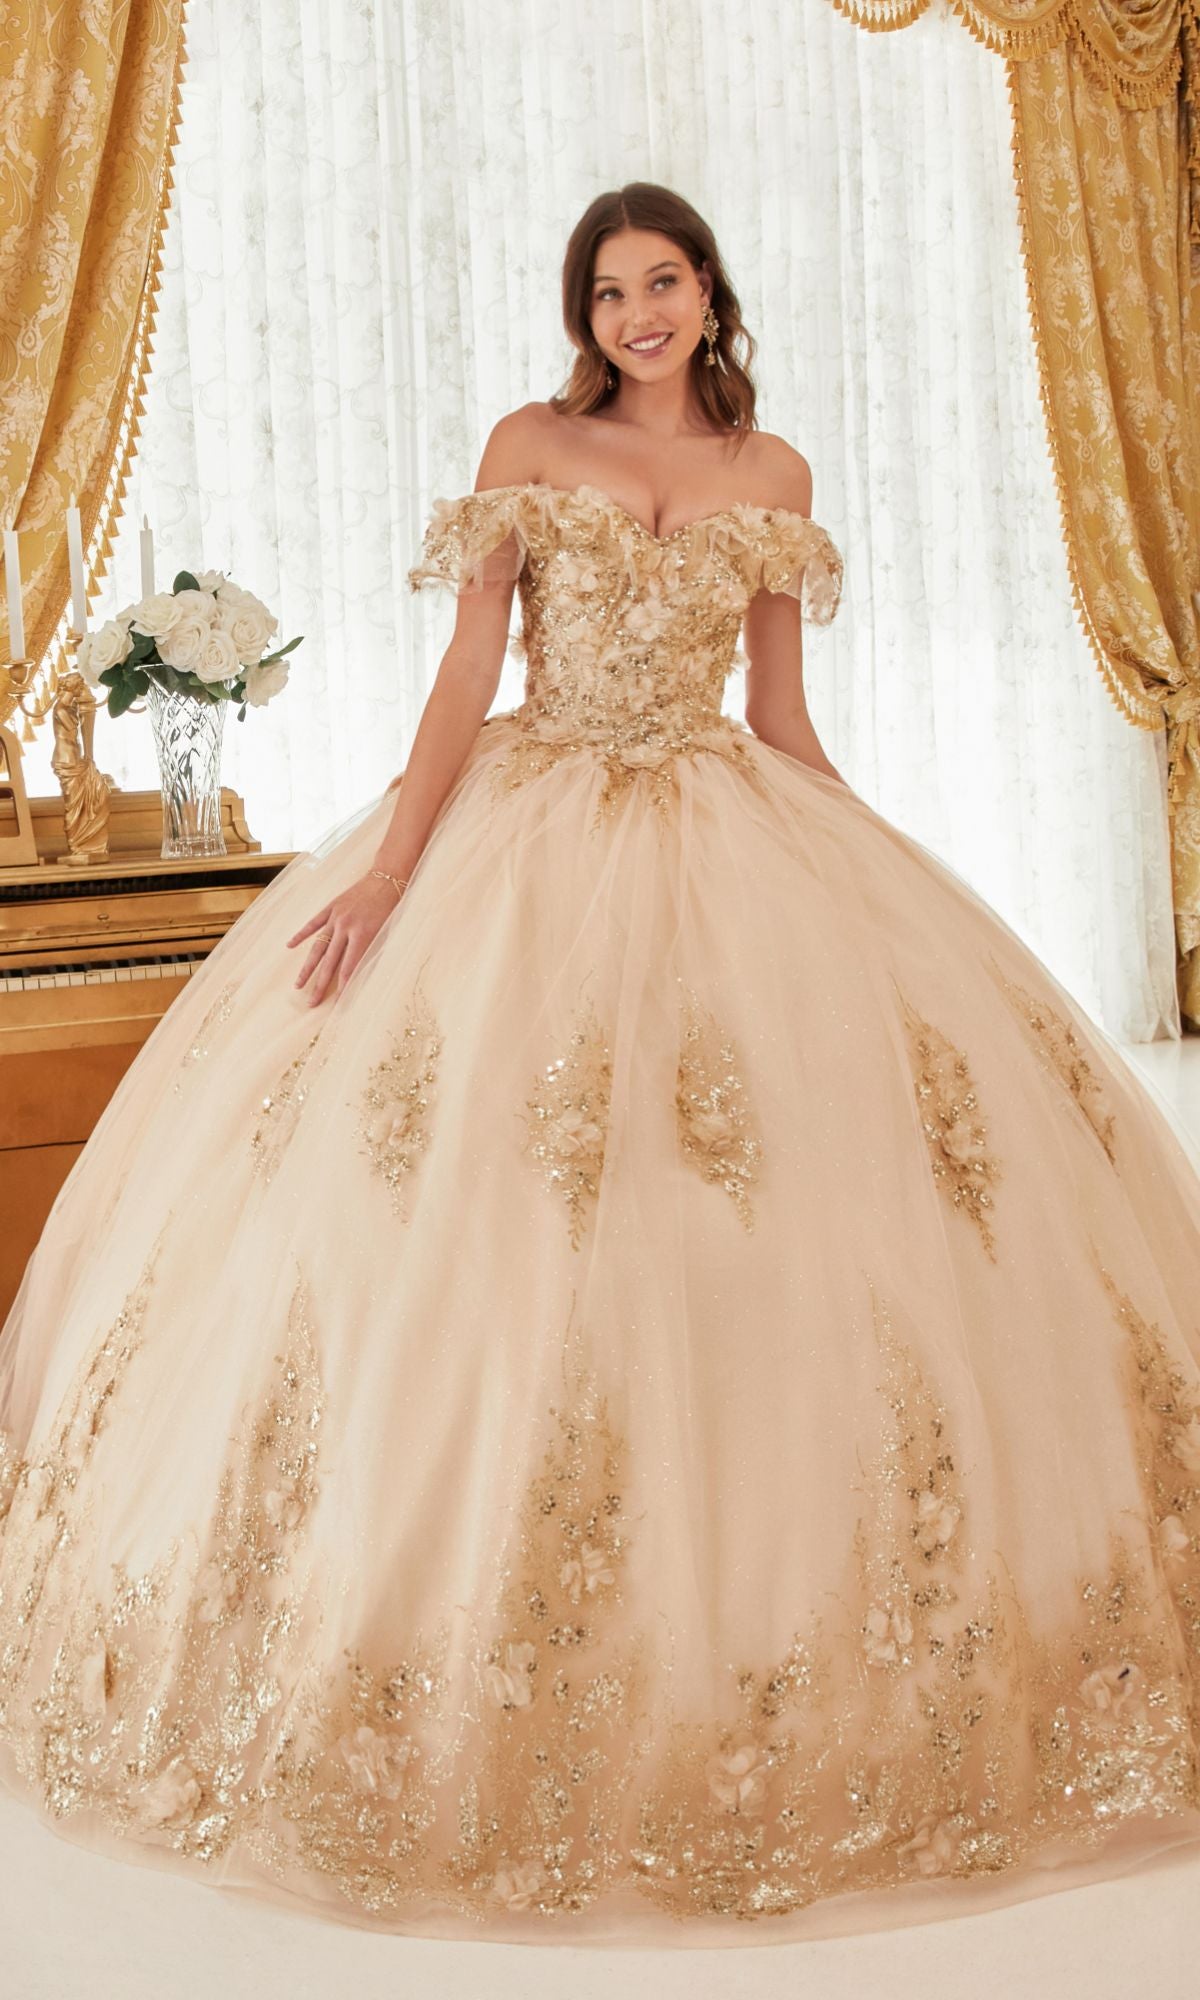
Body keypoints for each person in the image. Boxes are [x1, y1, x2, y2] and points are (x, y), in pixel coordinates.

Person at [1, 180, 1199, 1951]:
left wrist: (895, 908)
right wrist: (390, 880)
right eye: (611, 288)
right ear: (586, 311)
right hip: (529, 821)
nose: (641, 310)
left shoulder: (773, 477)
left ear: (713, 294)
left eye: (667, 280)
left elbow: (781, 724)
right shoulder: (527, 443)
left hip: (723, 828)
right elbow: (462, 680)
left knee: (743, 1210)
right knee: (497, 1198)